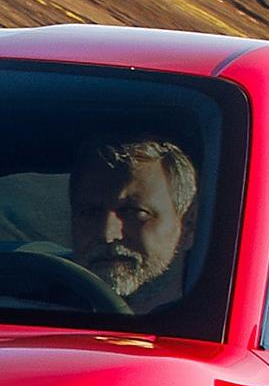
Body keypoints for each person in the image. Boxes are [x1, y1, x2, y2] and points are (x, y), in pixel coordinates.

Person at [70, 132, 199, 311]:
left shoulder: (219, 327)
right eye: (90, 213)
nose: (108, 233)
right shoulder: (38, 316)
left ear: (188, 225)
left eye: (134, 212)